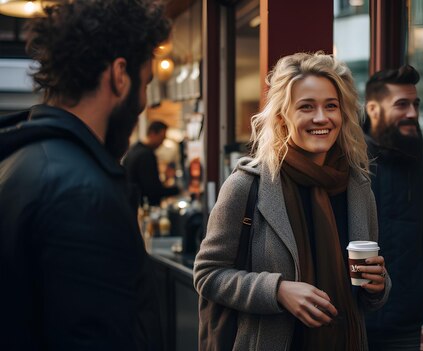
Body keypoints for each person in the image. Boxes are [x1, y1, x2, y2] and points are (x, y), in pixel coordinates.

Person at [0, 1, 170, 350]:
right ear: (120, 75)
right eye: (145, 82)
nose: (143, 100)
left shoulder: (21, 158)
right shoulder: (82, 194)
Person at [194, 52, 390, 350]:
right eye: (306, 107)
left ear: (343, 114)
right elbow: (208, 274)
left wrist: (378, 286)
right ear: (282, 116)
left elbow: (368, 293)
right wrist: (277, 291)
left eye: (331, 106)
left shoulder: (357, 187)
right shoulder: (247, 185)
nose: (321, 118)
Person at [363, 65, 423, 350]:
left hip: (404, 325)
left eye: (415, 104)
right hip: (348, 321)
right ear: (373, 109)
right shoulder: (346, 166)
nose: (412, 113)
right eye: (402, 104)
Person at [124, 120, 180, 206]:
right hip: (142, 205)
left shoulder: (134, 149)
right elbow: (152, 189)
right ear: (152, 133)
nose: (162, 142)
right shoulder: (146, 155)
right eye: (161, 138)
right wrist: (177, 190)